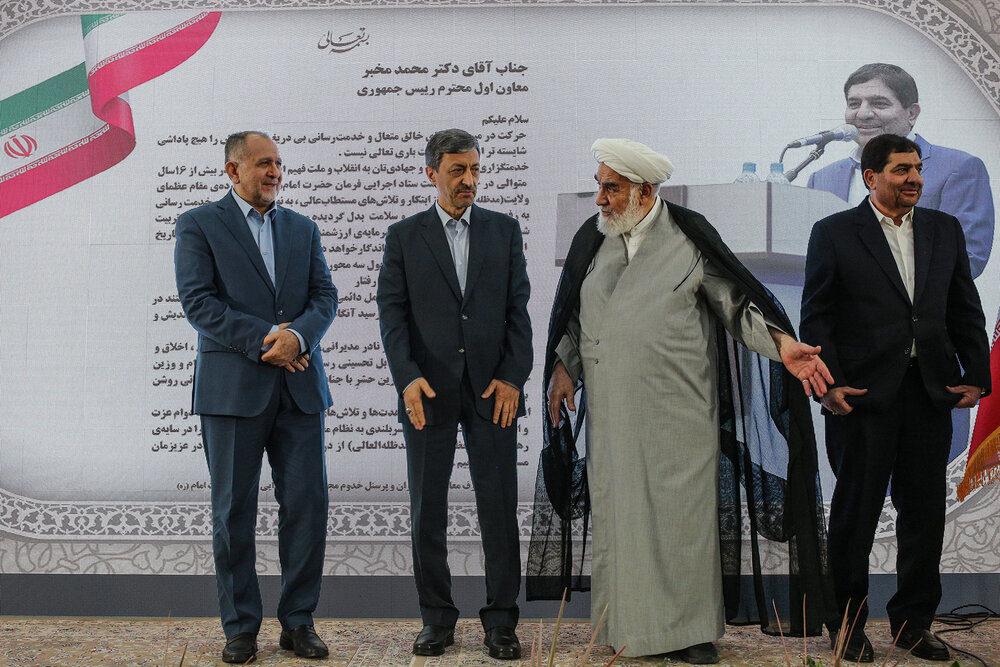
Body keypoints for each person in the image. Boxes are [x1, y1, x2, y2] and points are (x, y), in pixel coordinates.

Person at [532, 139, 835, 664]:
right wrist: (564, 367)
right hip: (613, 414)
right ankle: (625, 627)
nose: (600, 198)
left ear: (645, 191)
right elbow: (577, 317)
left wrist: (783, 344)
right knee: (623, 520)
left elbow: (738, 307)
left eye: (611, 188)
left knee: (682, 524)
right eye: (599, 186)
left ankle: (690, 632)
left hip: (680, 412)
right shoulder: (594, 238)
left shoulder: (689, 237)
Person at [800, 133, 990, 663]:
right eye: (902, 169)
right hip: (861, 397)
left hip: (929, 393)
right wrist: (830, 385)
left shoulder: (944, 229)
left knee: (924, 516)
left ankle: (912, 624)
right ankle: (847, 626)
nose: (915, 179)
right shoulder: (834, 232)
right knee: (855, 516)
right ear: (871, 177)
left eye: (917, 168)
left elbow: (964, 306)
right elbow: (818, 316)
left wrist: (976, 374)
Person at [174, 131, 338, 664]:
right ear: (233, 169)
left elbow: (325, 296)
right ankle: (240, 629)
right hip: (232, 393)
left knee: (308, 508)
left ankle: (298, 623)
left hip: (300, 390)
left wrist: (299, 337)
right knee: (233, 512)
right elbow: (199, 303)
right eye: (264, 163)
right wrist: (271, 341)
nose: (275, 172)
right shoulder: (198, 224)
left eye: (279, 163)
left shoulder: (302, 228)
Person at [376, 128, 532, 660]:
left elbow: (518, 311)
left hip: (493, 390)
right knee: (428, 509)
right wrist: (406, 377)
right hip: (428, 391)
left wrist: (513, 376)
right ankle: (436, 619)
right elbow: (392, 314)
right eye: (457, 170)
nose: (469, 179)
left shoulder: (504, 231)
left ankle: (502, 622)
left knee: (499, 507)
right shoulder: (403, 236)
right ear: (432, 174)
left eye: (475, 169)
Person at [807, 63, 993, 279]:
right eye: (854, 104)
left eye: (879, 103)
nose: (863, 114)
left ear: (911, 113)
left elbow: (966, 258)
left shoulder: (958, 168)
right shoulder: (822, 179)